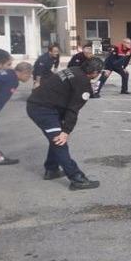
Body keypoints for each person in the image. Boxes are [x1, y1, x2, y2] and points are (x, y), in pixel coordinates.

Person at [26, 58, 104, 190]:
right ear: (94, 72)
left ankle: (51, 169)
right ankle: (77, 178)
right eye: (99, 72)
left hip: (41, 104)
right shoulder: (83, 84)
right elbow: (73, 110)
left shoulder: (73, 70)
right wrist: (66, 131)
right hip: (43, 109)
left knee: (56, 138)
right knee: (60, 141)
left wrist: (63, 129)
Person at [0, 62, 33, 165]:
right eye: (30, 75)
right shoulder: (12, 81)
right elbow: (0, 100)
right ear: (25, 73)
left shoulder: (7, 73)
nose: (30, 78)